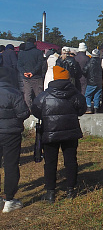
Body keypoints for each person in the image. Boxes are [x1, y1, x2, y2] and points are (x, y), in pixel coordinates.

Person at [31, 66, 87, 203]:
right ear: (68, 78)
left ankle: (50, 193)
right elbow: (81, 110)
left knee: (50, 162)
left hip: (50, 133)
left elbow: (35, 110)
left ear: (54, 78)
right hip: (71, 132)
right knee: (71, 160)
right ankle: (70, 190)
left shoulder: (44, 96)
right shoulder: (76, 94)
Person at [0, 67, 30, 213]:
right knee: (11, 165)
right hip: (11, 133)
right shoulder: (14, 93)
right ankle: (9, 199)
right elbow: (24, 113)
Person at [17, 38, 45, 109]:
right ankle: (39, 109)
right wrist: (32, 72)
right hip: (36, 76)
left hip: (25, 77)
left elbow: (19, 65)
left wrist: (24, 73)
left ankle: (29, 110)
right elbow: (40, 63)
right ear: (35, 43)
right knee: (39, 94)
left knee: (27, 94)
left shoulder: (21, 53)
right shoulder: (38, 52)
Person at [82, 49, 103, 114]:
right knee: (97, 95)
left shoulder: (89, 62)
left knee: (88, 95)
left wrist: (87, 76)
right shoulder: (101, 62)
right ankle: (96, 108)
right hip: (99, 81)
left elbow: (84, 71)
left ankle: (88, 108)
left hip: (91, 81)